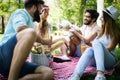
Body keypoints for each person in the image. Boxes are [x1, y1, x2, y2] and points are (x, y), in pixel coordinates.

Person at [0, 0, 53, 80]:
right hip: (3, 56)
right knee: (31, 33)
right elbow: (20, 28)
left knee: (48, 73)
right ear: (34, 7)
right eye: (40, 9)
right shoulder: (20, 13)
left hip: (14, 65)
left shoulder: (32, 23)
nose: (41, 12)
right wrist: (43, 41)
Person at [67, 5, 120, 80]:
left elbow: (109, 48)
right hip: (97, 60)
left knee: (96, 43)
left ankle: (100, 75)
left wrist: (96, 46)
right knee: (89, 49)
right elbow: (91, 44)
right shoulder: (100, 30)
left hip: (109, 61)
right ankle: (76, 75)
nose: (100, 19)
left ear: (108, 19)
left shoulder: (116, 33)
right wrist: (90, 45)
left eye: (102, 17)